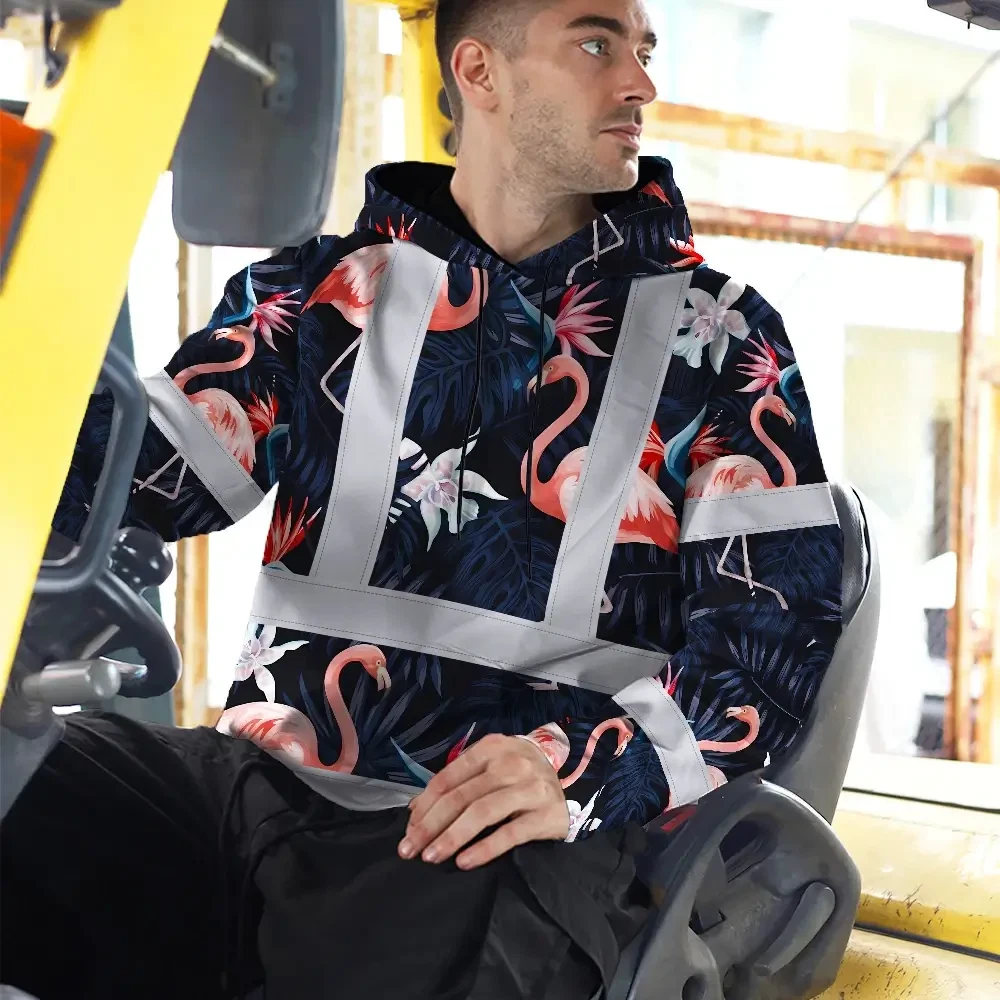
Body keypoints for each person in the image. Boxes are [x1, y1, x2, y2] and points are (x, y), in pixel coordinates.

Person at [0, 1, 844, 997]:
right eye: (596, 44)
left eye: (643, 49)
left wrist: (579, 773)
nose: (640, 84)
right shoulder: (320, 294)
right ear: (479, 73)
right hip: (259, 795)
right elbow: (115, 479)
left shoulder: (724, 337)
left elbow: (771, 651)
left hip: (499, 835)